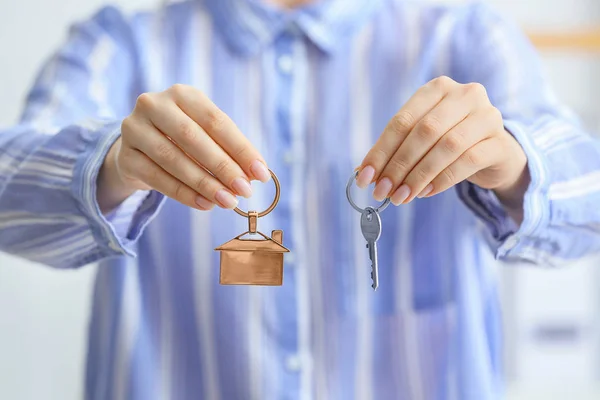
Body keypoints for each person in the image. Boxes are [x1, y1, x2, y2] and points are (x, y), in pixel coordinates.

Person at [1, 0, 600, 398]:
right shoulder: (126, 41)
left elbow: (588, 203)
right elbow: (8, 198)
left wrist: (516, 163)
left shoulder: (464, 31)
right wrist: (108, 164)